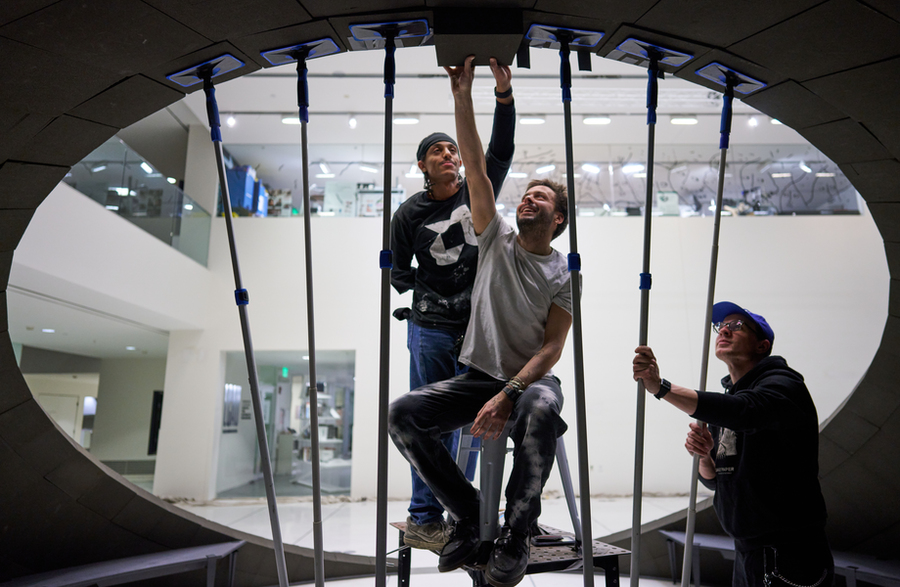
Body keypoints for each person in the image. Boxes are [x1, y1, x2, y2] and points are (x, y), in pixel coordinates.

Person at [389, 55, 572, 587]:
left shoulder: (565, 273)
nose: (527, 199)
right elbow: (474, 160)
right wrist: (463, 94)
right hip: (476, 373)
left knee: (539, 412)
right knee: (404, 414)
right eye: (526, 195)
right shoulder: (493, 238)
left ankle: (516, 533)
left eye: (539, 196)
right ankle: (468, 516)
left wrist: (510, 391)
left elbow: (552, 350)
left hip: (531, 381)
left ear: (557, 218)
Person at [390, 57, 516, 551]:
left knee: (467, 424)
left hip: (476, 331)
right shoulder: (407, 215)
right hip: (430, 329)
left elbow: (500, 147)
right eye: (436, 151)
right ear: (422, 166)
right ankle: (423, 516)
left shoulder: (478, 192)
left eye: (451, 149)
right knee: (425, 421)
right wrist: (436, 292)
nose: (448, 154)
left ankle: (459, 511)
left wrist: (503, 96)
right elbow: (401, 275)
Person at [632, 301, 833, 587]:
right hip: (747, 552)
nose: (725, 329)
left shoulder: (784, 386)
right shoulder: (729, 403)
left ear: (761, 346)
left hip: (790, 554)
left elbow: (745, 411)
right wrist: (704, 457)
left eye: (737, 326)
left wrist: (660, 387)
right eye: (721, 326)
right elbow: (717, 481)